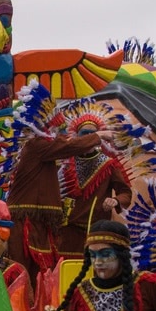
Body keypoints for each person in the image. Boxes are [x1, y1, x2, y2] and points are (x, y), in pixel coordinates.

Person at [5, 81, 111, 287]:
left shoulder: (41, 149)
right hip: (26, 224)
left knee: (41, 275)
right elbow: (67, 146)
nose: (58, 133)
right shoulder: (37, 146)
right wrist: (97, 137)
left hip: (40, 224)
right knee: (25, 276)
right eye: (54, 128)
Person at [56, 102, 134, 261]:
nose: (89, 138)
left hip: (95, 232)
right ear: (77, 137)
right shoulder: (63, 162)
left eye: (93, 134)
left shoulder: (109, 164)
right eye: (85, 134)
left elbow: (125, 192)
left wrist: (115, 200)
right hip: (66, 232)